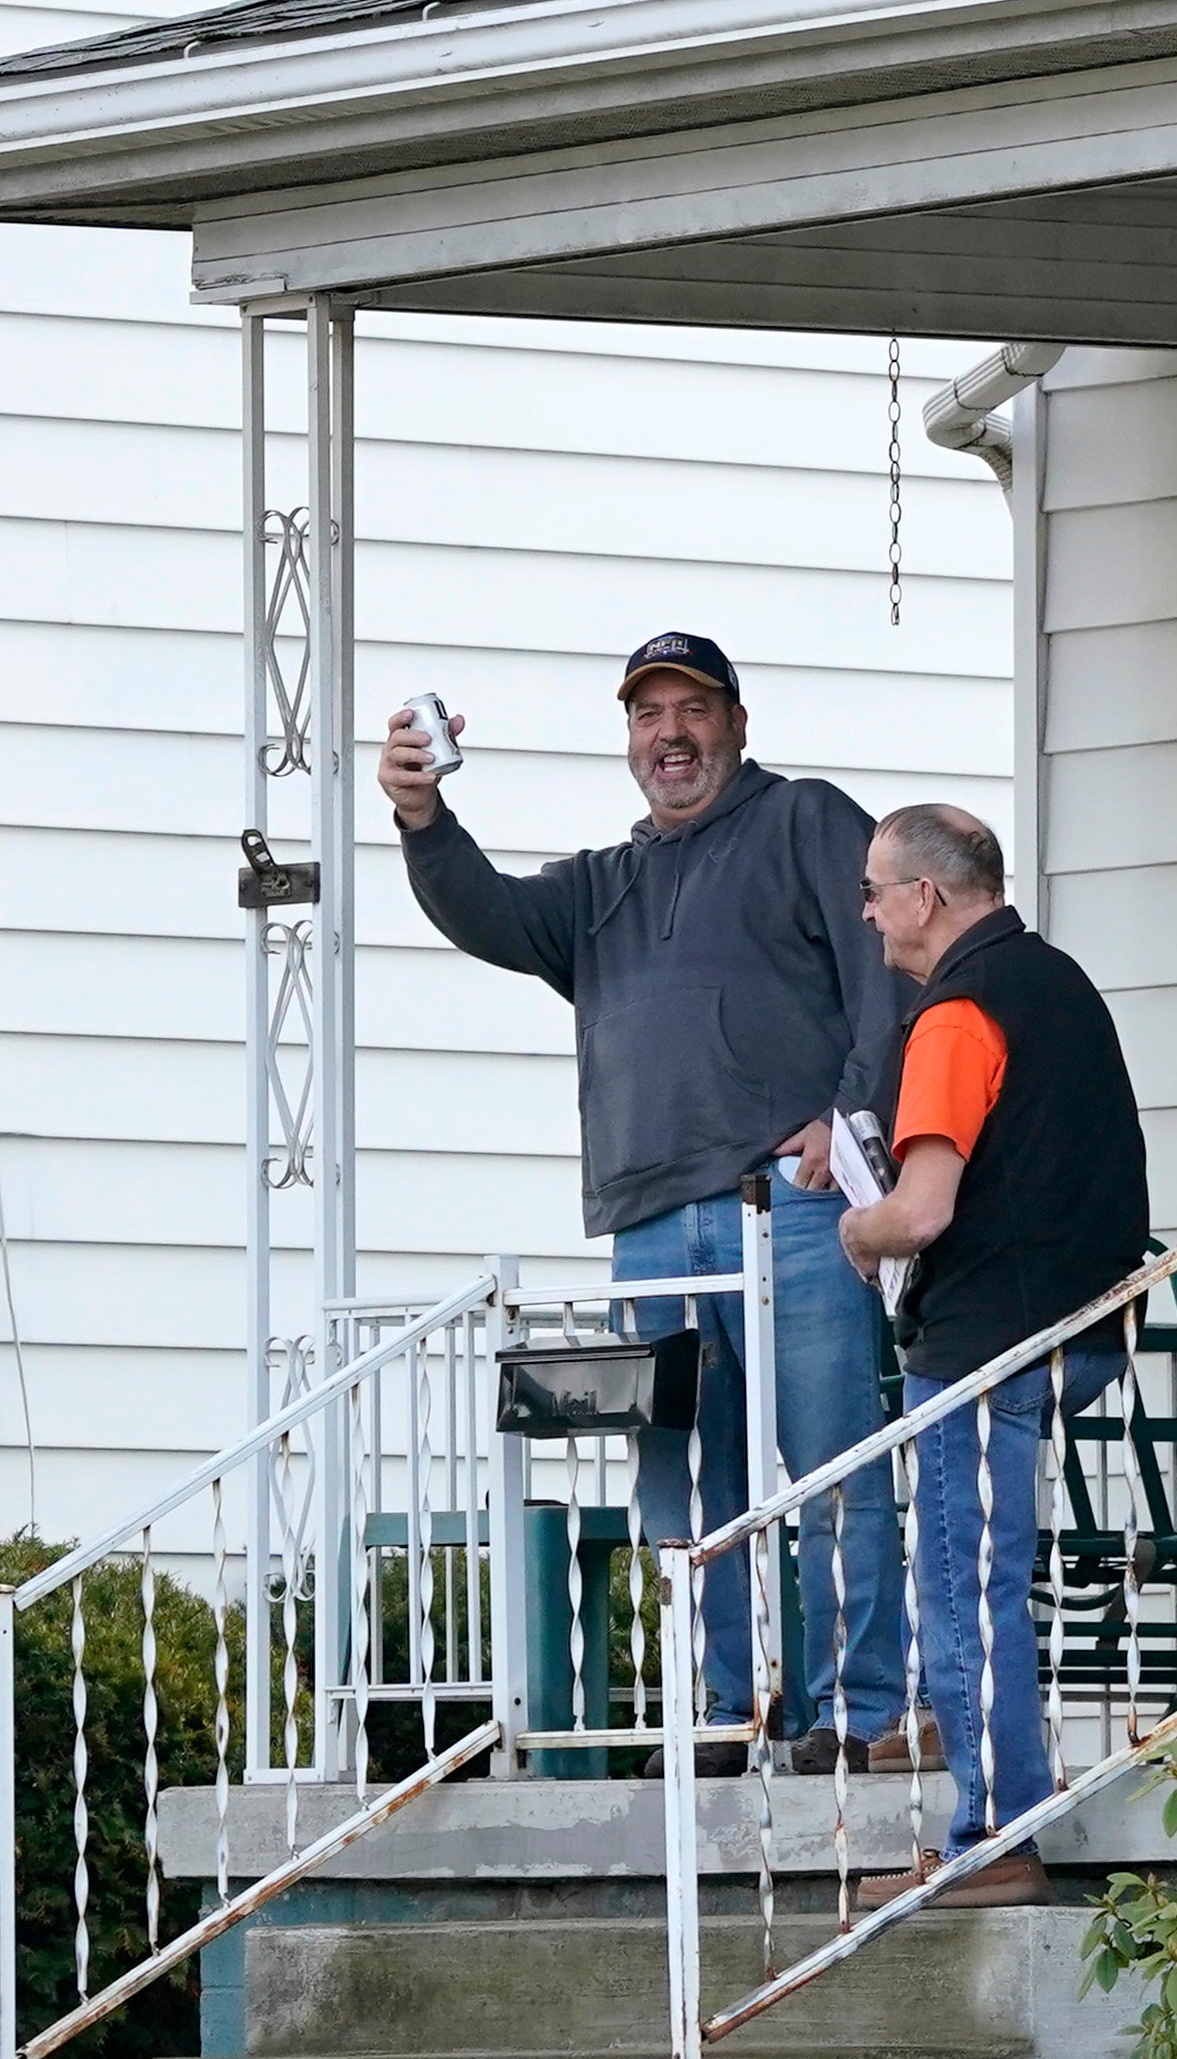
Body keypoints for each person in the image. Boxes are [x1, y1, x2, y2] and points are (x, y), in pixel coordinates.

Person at [384, 631, 913, 1768]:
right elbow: (486, 910)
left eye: (691, 708)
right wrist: (423, 818)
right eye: (645, 713)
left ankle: (857, 1715)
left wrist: (850, 1112)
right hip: (650, 1223)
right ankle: (731, 1707)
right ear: (629, 737)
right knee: (689, 1477)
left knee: (830, 1462)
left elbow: (889, 968)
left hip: (795, 1206)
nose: (668, 733)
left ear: (735, 721)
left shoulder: (803, 820)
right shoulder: (602, 884)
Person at [839, 803, 1150, 1906]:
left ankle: (990, 1834)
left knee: (964, 1583)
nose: (867, 908)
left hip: (987, 1342)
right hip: (1079, 1320)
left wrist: (852, 1226)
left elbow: (919, 1211)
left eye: (876, 887)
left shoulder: (956, 1011)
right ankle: (973, 1773)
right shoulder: (1056, 980)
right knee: (982, 1581)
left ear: (925, 895)